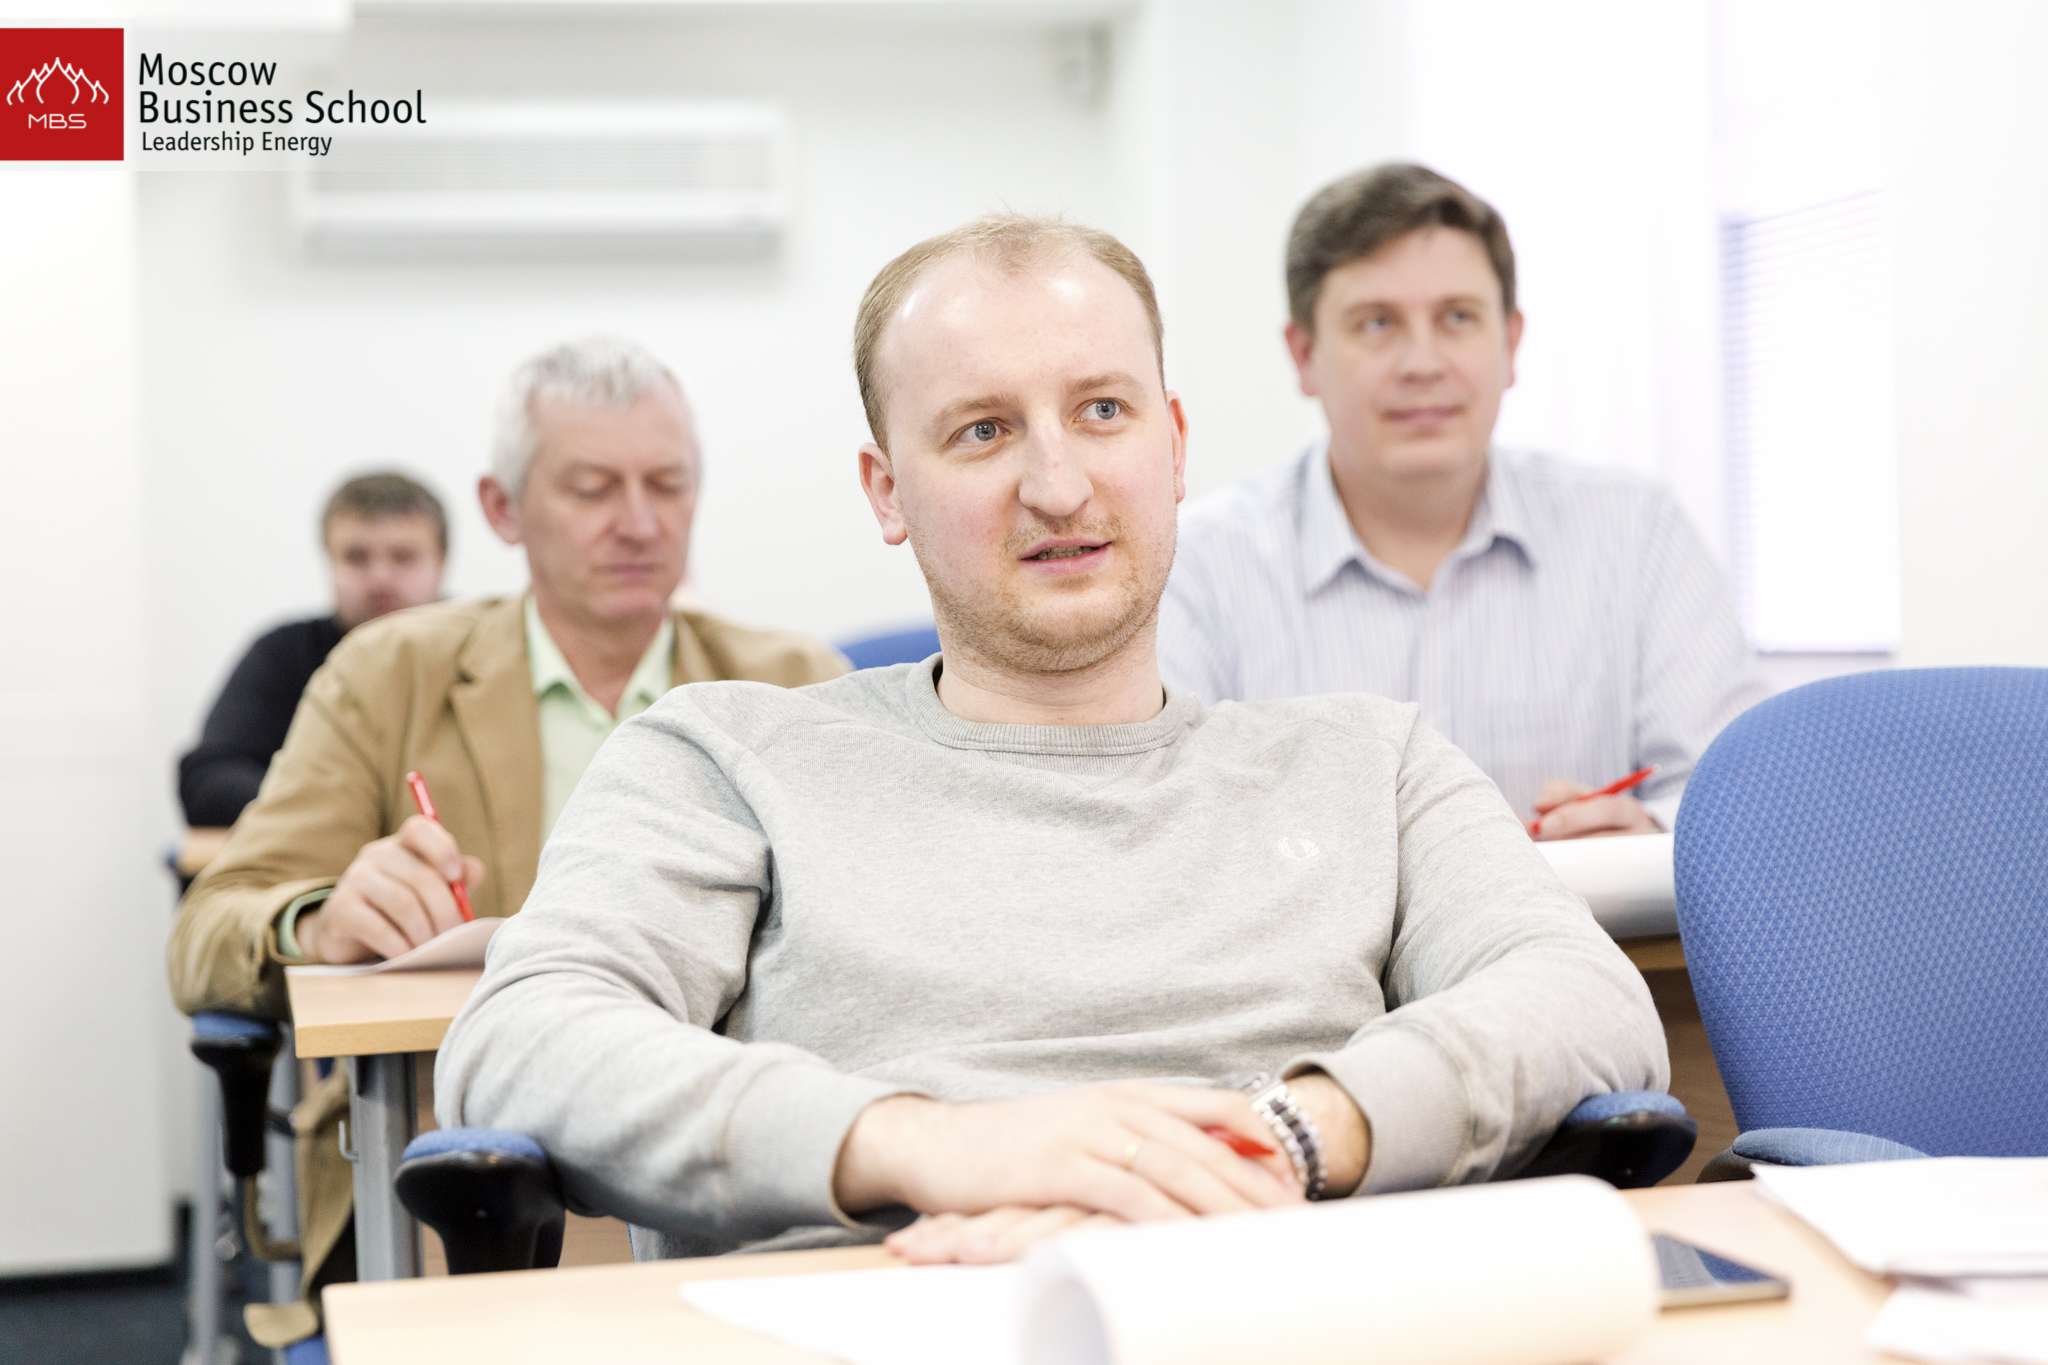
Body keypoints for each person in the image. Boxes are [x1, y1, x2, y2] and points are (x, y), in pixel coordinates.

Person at [434, 218, 1666, 1271]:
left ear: (1172, 444)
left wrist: (1284, 1137)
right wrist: (931, 1146)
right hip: (889, 1311)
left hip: (1287, 1302)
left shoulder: (1370, 763)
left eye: (1102, 411)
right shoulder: (719, 758)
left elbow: (1583, 998)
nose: (1059, 485)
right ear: (884, 490)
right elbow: (522, 1038)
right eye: (981, 430)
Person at [166, 336, 847, 1343]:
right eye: (592, 488)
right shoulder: (389, 674)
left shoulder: (788, 685)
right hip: (455, 1169)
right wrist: (318, 920)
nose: (640, 522)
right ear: (502, 508)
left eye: (667, 484)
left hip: (733, 1170)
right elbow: (205, 932)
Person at [1158, 163, 1763, 838]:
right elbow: (1163, 826)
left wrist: (1646, 829)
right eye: (1376, 323)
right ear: (1304, 355)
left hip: (1589, 911)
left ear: (1510, 343)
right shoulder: (1198, 566)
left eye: (1457, 317)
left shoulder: (1635, 533)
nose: (1422, 363)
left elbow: (1744, 797)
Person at [177, 471, 447, 828]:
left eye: (403, 557)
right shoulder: (283, 654)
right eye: (356, 557)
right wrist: (327, 818)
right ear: (329, 561)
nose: (380, 577)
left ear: (440, 562)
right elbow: (209, 780)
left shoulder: (483, 652)